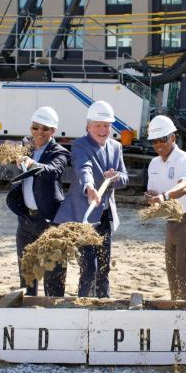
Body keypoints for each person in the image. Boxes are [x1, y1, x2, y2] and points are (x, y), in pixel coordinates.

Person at [54, 101, 129, 298]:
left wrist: (115, 178)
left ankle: (104, 303)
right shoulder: (80, 144)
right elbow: (83, 167)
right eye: (98, 125)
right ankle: (84, 304)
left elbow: (125, 178)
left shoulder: (116, 147)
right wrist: (89, 187)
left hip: (104, 216)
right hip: (83, 215)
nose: (103, 130)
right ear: (88, 126)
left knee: (104, 266)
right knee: (89, 268)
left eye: (106, 125)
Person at [6, 106, 71, 296]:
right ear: (31, 128)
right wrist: (11, 151)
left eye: (45, 129)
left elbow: (53, 170)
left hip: (50, 220)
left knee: (54, 273)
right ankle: (27, 314)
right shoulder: (25, 145)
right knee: (27, 272)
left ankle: (54, 314)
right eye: (36, 128)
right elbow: (11, 148)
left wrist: (34, 164)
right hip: (25, 219)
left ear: (53, 131)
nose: (39, 132)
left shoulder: (59, 152)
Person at [144, 115, 186, 300]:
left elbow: (184, 186)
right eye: (154, 141)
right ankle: (177, 312)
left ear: (173, 137)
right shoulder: (154, 163)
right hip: (171, 220)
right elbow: (153, 191)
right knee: (173, 274)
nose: (158, 144)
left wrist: (162, 197)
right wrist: (151, 198)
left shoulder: (185, 160)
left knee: (185, 274)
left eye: (162, 139)